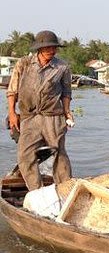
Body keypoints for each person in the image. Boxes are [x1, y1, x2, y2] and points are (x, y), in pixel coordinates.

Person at [6, 30, 73, 190]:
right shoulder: (24, 64)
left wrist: (67, 112)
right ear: (39, 49)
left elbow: (66, 93)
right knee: (25, 155)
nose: (52, 50)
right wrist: (12, 114)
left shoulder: (62, 67)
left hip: (53, 117)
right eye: (48, 47)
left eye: (54, 47)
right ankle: (37, 192)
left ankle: (66, 190)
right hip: (29, 117)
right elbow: (12, 91)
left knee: (59, 154)